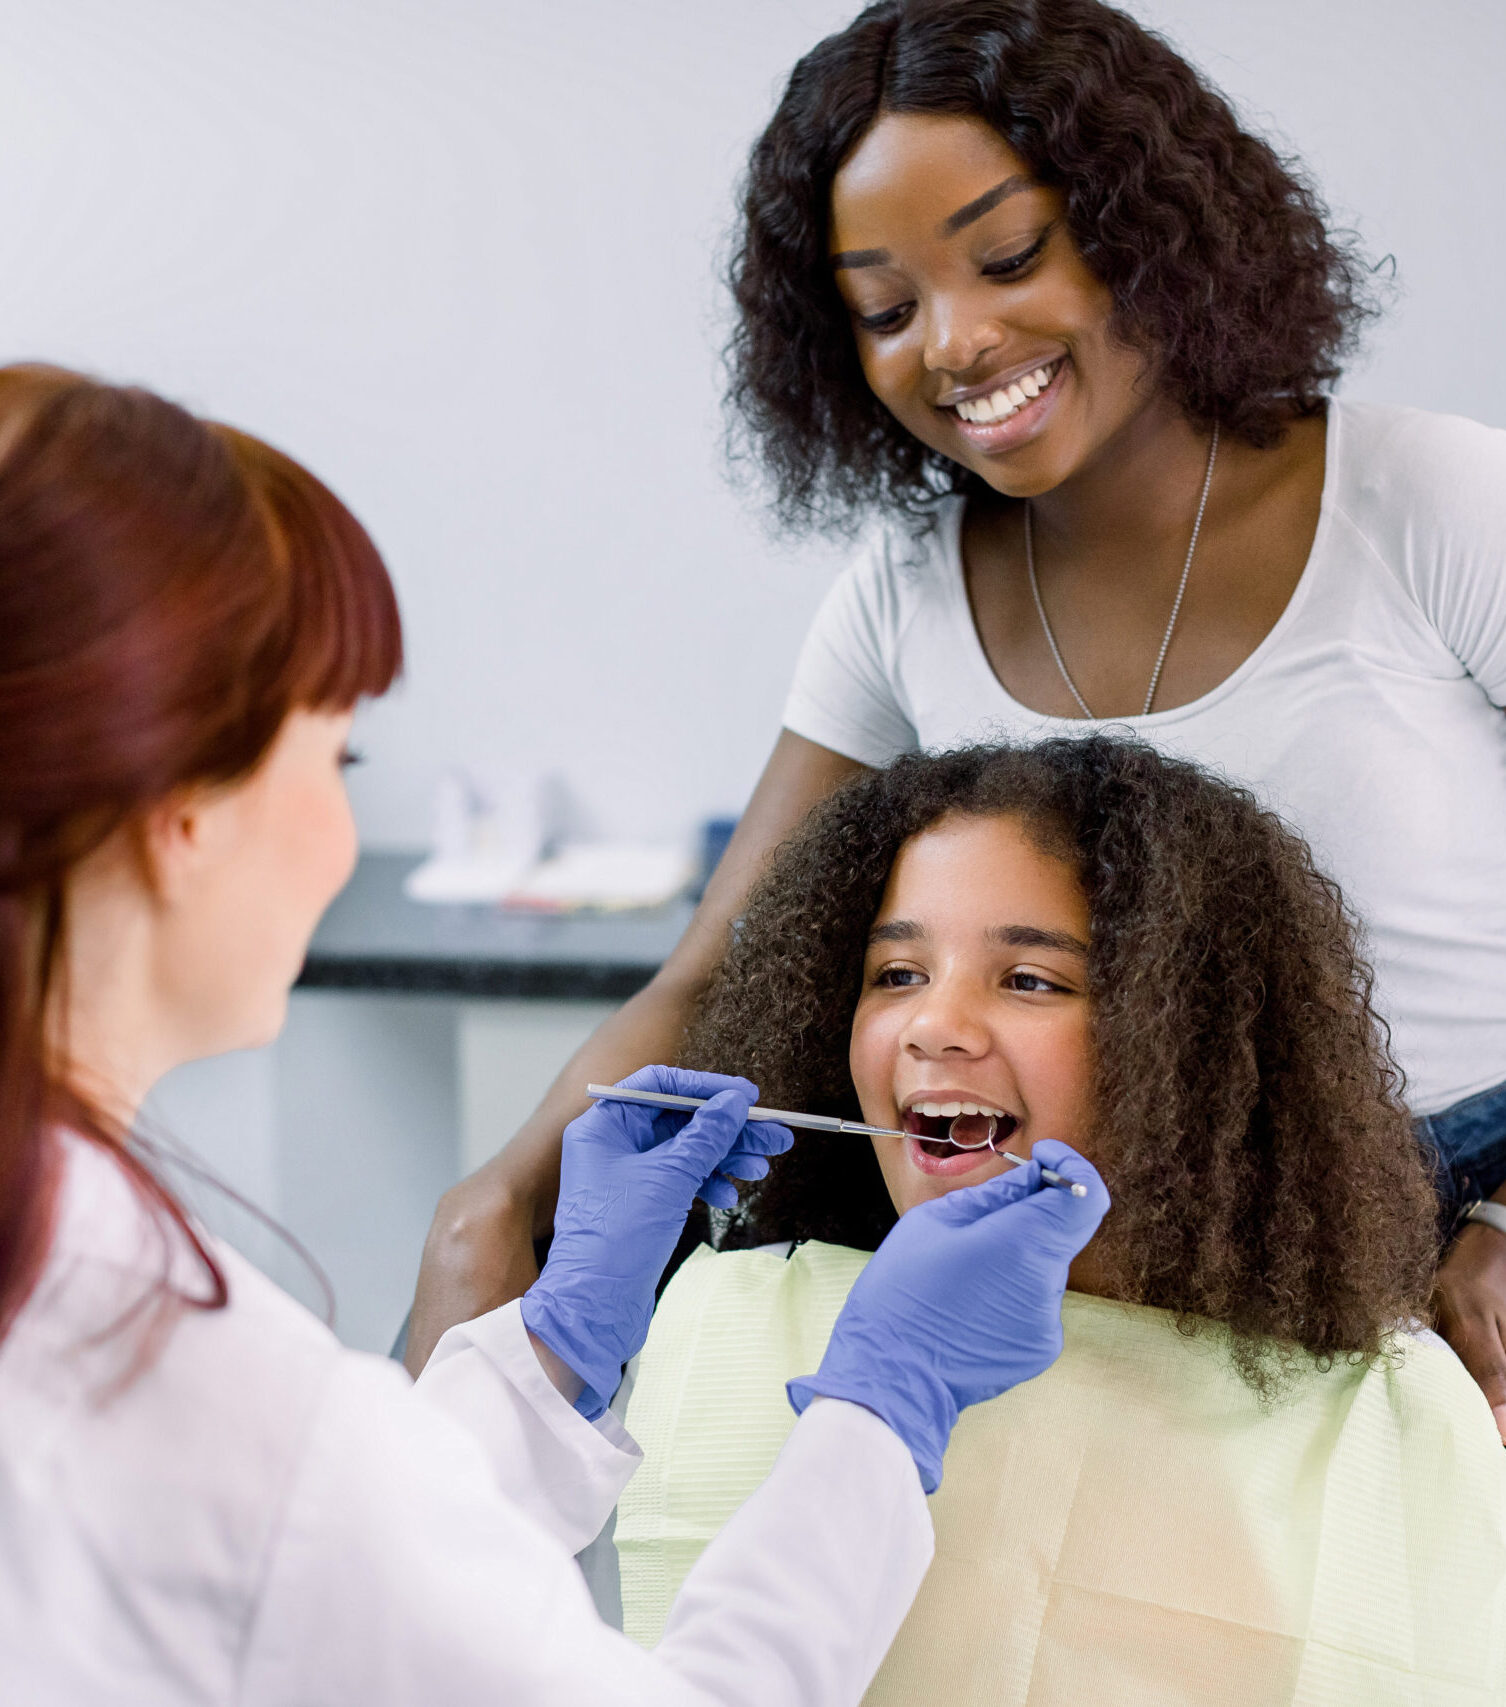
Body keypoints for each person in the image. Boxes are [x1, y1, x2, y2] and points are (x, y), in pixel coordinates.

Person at [406, 0, 1506, 1433]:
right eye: (884, 308)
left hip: (1454, 1237)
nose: (956, 342)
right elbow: (711, 976)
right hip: (1098, 1269)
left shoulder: (1429, 502)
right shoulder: (900, 592)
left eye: (1004, 257)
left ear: (1144, 223)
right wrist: (495, 1194)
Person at [0, 364, 1110, 1705]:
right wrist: (884, 1410)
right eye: (335, 757)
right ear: (182, 814)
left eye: (1030, 979)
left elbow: (346, 1587)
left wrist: (547, 1352)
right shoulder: (191, 1382)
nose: (939, 1024)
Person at [612, 737, 1506, 1702]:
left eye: (1031, 980)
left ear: (1187, 1045)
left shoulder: (1390, 1418)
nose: (933, 1023)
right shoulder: (728, 1323)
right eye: (898, 972)